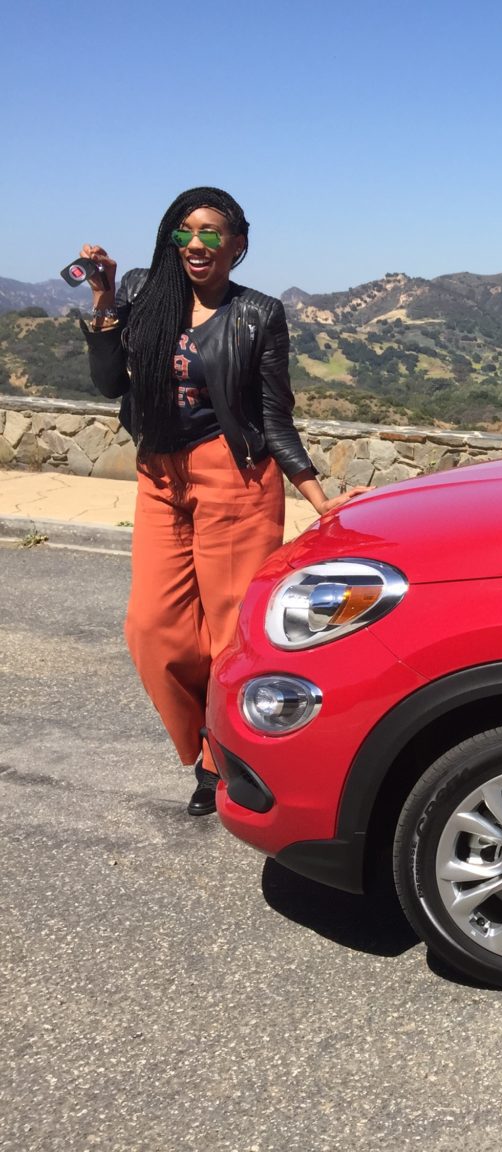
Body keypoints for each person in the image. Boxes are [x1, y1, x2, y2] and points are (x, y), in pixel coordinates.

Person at [78, 186, 365, 816]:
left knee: (229, 632)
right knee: (152, 629)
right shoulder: (141, 291)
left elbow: (274, 416)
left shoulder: (257, 313)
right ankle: (200, 741)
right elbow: (107, 384)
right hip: (159, 477)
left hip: (236, 479)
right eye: (184, 231)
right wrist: (103, 300)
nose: (195, 243)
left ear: (237, 244)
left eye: (210, 232)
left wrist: (320, 500)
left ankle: (221, 762)